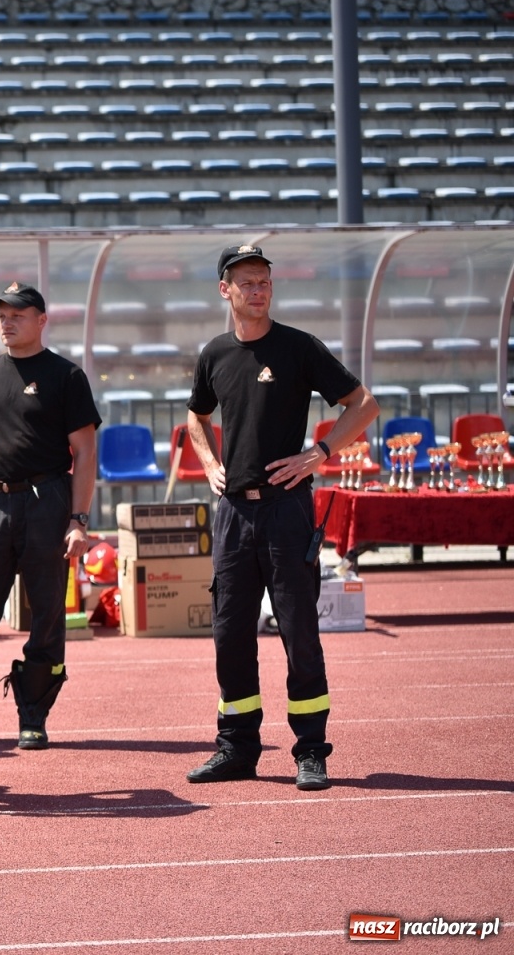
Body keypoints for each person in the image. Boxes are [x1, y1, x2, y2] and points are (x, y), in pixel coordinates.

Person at [184, 244, 379, 792]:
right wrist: (208, 463)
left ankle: (311, 750)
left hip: (286, 512)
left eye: (264, 281)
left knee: (299, 631)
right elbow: (196, 417)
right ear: (225, 289)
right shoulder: (215, 354)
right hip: (232, 517)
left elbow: (363, 404)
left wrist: (321, 451)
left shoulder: (297, 347)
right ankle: (238, 747)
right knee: (229, 634)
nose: (258, 289)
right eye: (246, 282)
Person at [0, 283, 101, 750]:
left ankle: (33, 713)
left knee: (47, 615)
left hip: (46, 503)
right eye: (1, 314)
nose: (7, 321)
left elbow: (85, 451)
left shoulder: (66, 376)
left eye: (18, 313)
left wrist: (78, 519)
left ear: (41, 320)